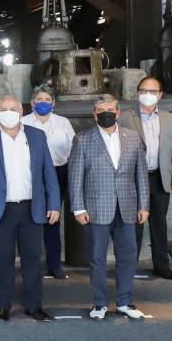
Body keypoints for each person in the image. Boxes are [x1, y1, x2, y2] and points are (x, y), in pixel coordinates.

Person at [0, 95, 61, 321]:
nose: (8, 112)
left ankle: (34, 306)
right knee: (2, 259)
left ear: (21, 111)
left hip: (32, 208)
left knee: (33, 259)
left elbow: (48, 172)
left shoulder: (37, 136)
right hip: (1, 209)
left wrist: (54, 204)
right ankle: (2, 306)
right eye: (4, 109)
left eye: (12, 108)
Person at [69, 95, 150, 321]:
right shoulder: (82, 139)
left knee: (128, 257)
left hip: (127, 207)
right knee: (97, 258)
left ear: (118, 112)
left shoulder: (132, 137)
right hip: (96, 208)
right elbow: (75, 176)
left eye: (110, 110)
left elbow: (141, 175)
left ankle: (125, 302)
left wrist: (144, 205)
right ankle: (100, 303)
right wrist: (78, 208)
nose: (106, 113)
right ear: (94, 114)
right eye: (101, 110)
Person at [120, 76, 172, 280]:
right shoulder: (124, 117)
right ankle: (129, 267)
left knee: (159, 224)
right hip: (132, 179)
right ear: (138, 93)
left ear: (160, 95)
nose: (147, 95)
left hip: (160, 178)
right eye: (143, 91)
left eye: (152, 91)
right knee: (133, 224)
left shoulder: (171, 119)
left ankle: (162, 266)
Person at [20, 85, 76, 279]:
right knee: (31, 219)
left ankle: (54, 265)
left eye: (47, 99)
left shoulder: (63, 122)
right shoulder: (23, 122)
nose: (42, 102)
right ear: (32, 103)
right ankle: (31, 265)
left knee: (53, 218)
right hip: (31, 174)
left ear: (53, 103)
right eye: (39, 99)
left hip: (58, 173)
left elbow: (73, 148)